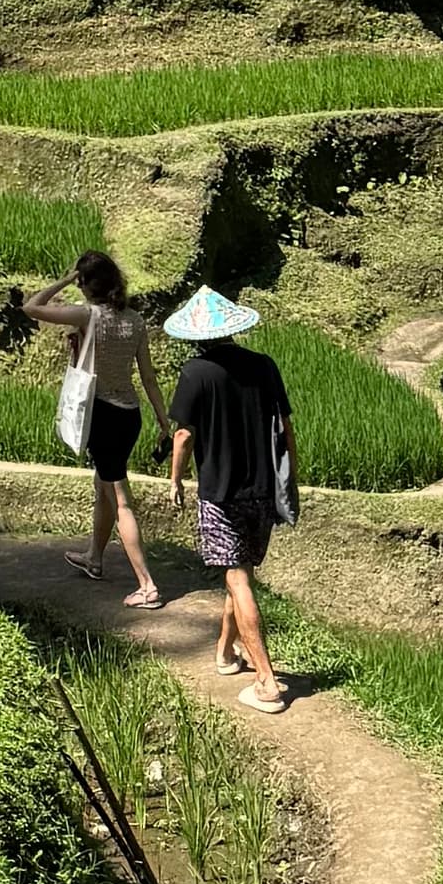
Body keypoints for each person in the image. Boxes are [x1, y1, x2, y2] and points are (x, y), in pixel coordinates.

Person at [162, 288, 295, 706]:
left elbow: (183, 435)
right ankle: (224, 652)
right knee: (240, 575)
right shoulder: (264, 366)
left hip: (220, 494)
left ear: (196, 336)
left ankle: (267, 682)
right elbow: (286, 429)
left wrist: (175, 480)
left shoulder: (196, 373)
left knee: (237, 578)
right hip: (262, 491)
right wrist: (289, 482)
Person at [39, 246, 154, 604]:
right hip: (130, 413)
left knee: (121, 500)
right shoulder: (134, 320)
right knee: (103, 485)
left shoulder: (89, 316)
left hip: (102, 415)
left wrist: (64, 279)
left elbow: (32, 306)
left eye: (81, 281)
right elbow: (148, 377)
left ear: (87, 284)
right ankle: (95, 557)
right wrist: (164, 421)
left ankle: (147, 585)